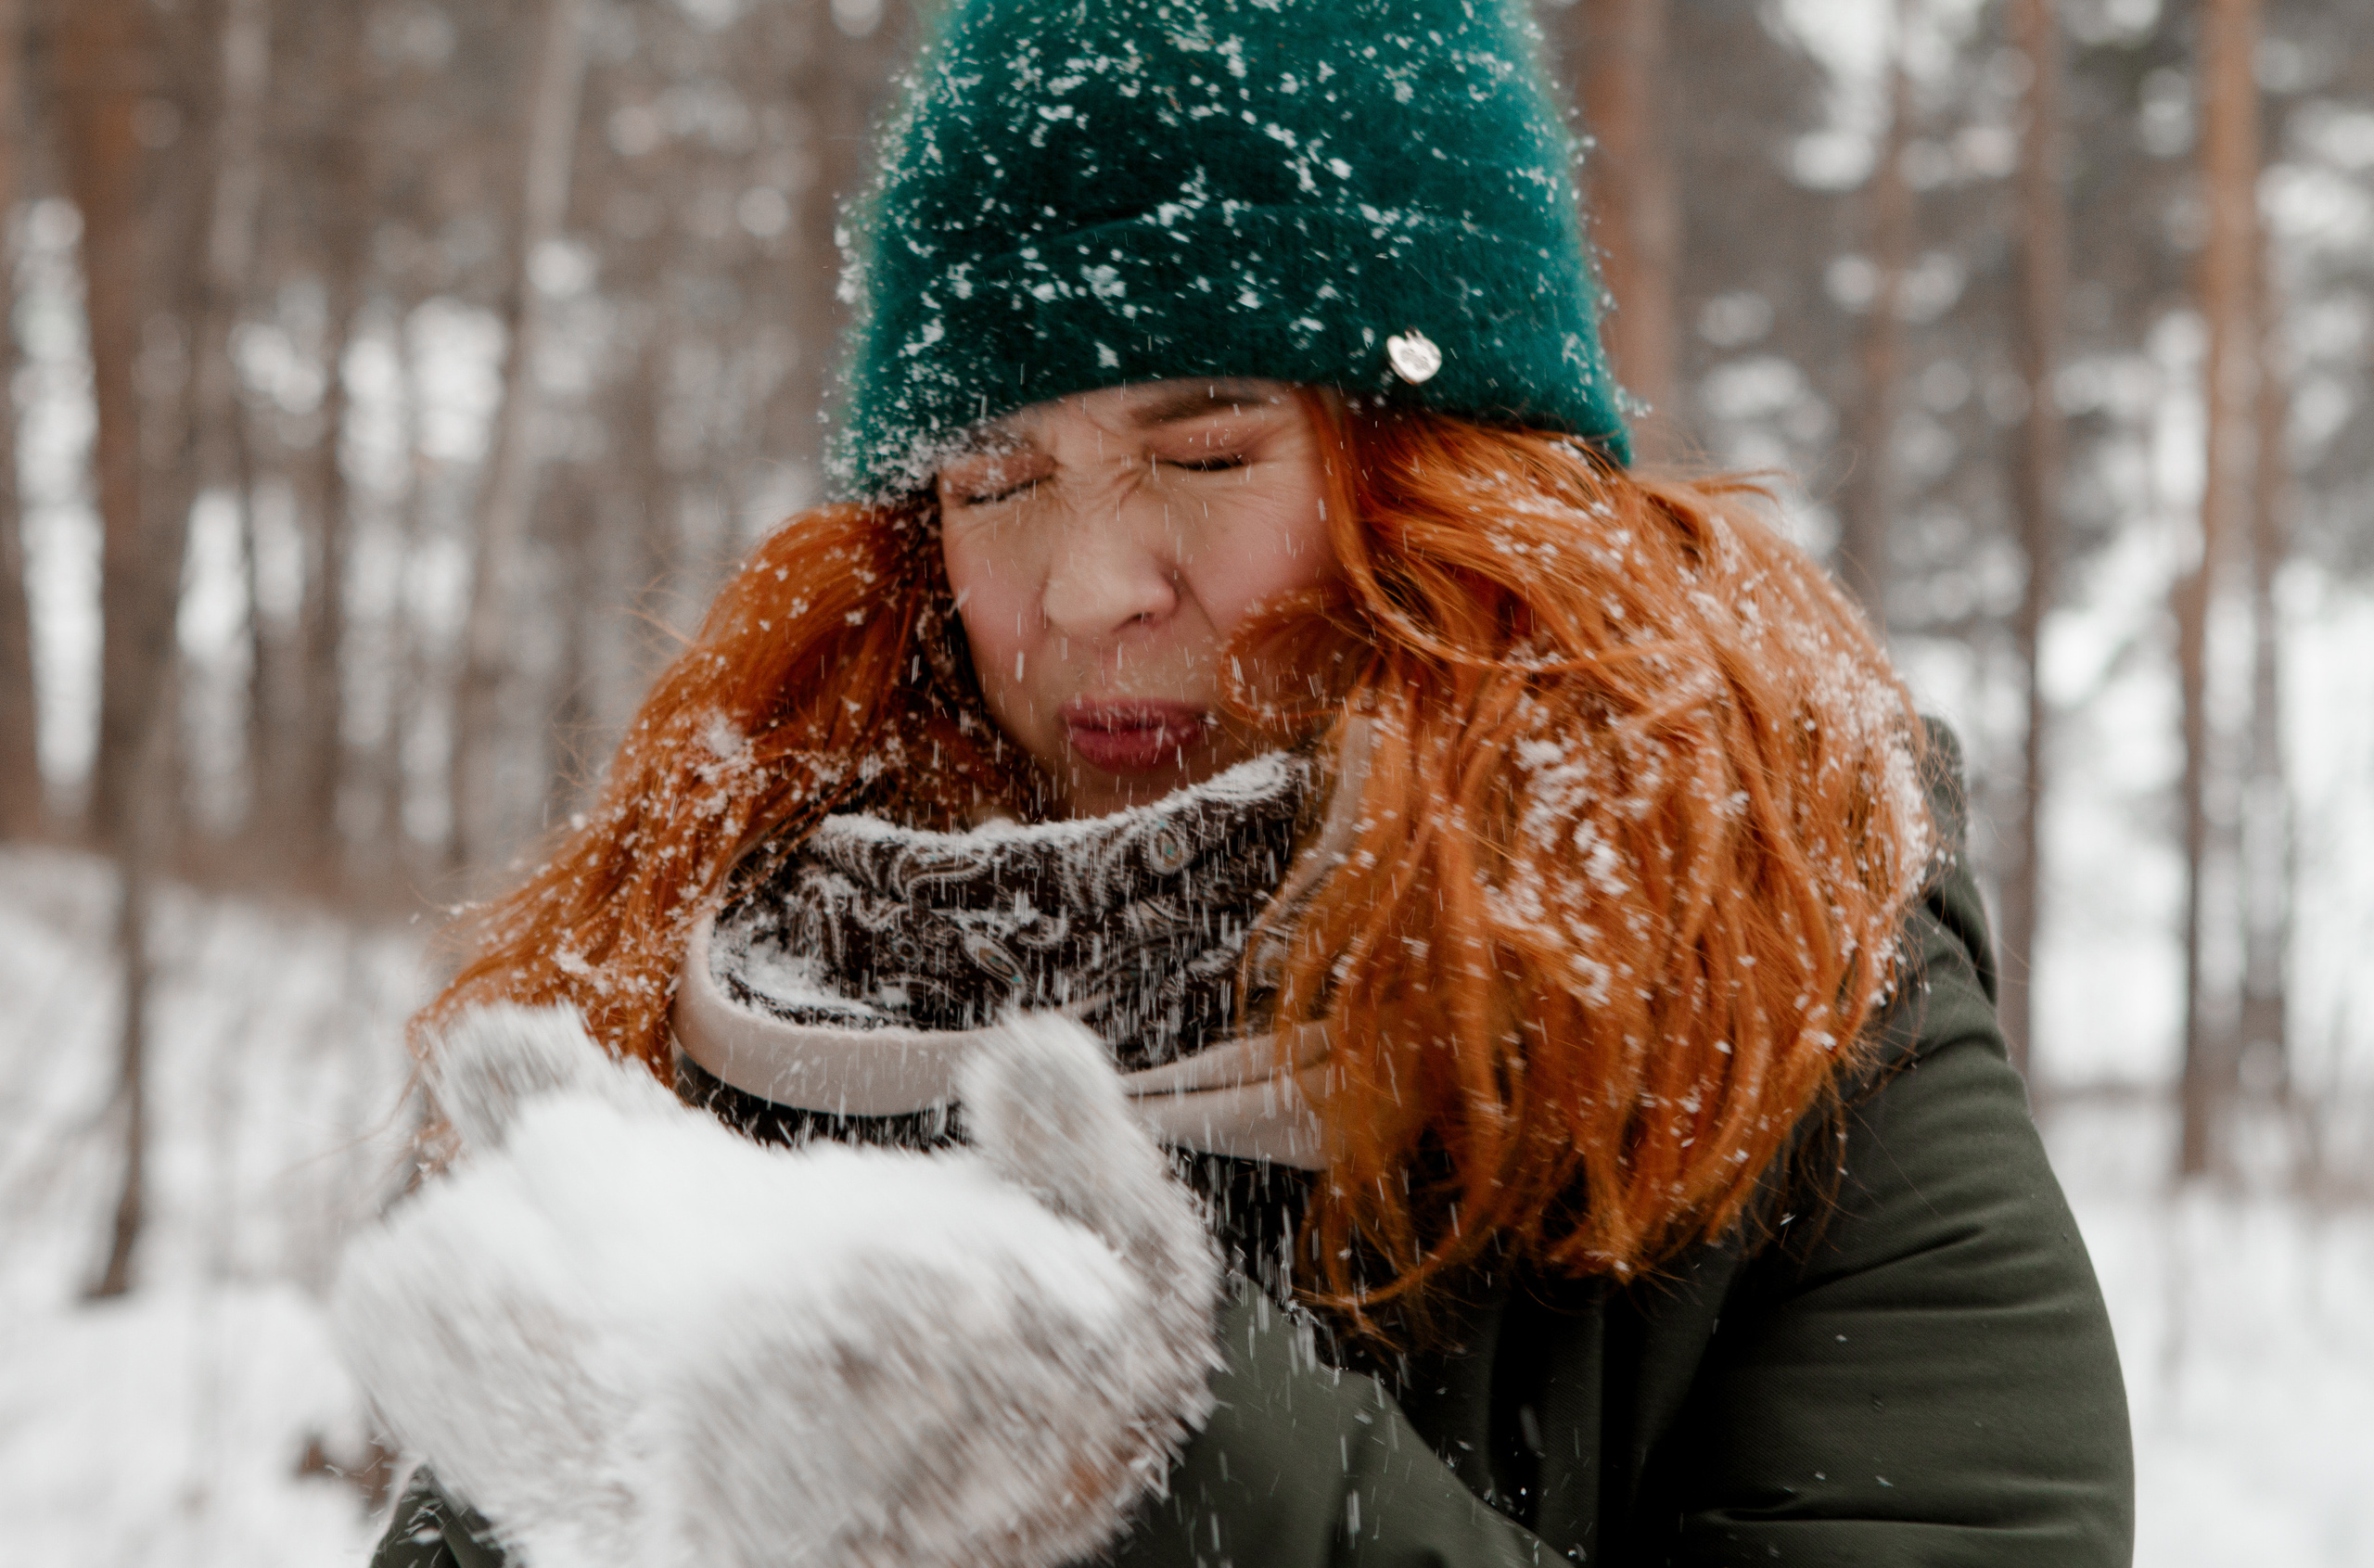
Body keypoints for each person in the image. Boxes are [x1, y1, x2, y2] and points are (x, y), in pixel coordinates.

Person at [365, 0, 2135, 1562]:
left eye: (1204, 450)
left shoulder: (1780, 992)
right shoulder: (751, 979)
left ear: (1456, 482)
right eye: (991, 480)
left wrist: (1165, 1473)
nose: (1080, 589)